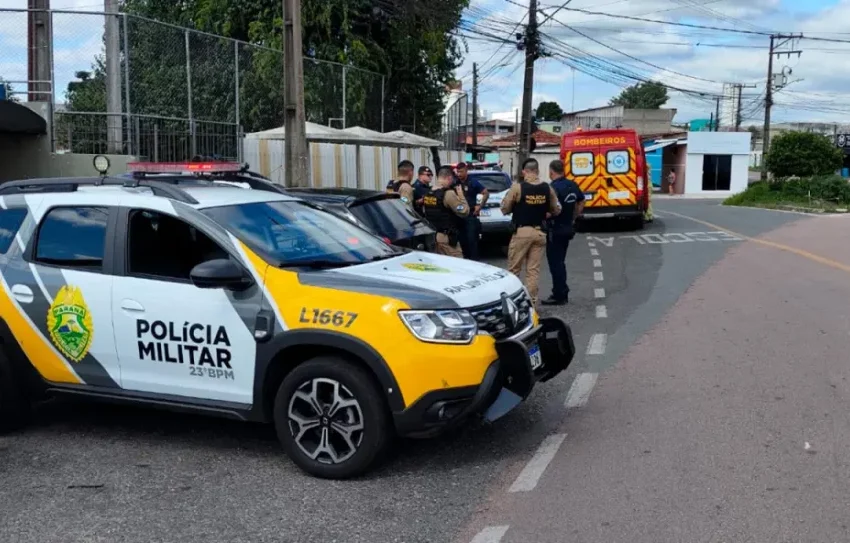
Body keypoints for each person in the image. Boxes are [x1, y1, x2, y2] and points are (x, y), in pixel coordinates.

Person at [501, 158, 561, 308]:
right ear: (538, 171)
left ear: (524, 172)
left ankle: (513, 304)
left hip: (522, 232)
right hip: (540, 233)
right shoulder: (548, 188)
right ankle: (532, 304)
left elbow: (505, 208)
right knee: (533, 271)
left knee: (514, 270)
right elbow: (556, 209)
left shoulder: (517, 188)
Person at [542, 160, 585, 306]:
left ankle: (559, 294)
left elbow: (550, 210)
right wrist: (574, 216)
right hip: (568, 227)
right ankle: (562, 291)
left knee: (556, 263)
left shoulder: (553, 188)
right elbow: (581, 200)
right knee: (560, 261)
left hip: (555, 229)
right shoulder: (572, 185)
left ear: (551, 171)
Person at [421, 166, 469, 257]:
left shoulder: (429, 193)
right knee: (458, 264)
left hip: (433, 237)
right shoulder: (448, 193)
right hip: (447, 238)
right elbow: (464, 211)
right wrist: (461, 196)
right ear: (449, 178)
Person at [455, 162, 489, 260]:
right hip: (459, 216)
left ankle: (474, 261)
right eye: (458, 172)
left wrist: (480, 206)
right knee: (462, 241)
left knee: (472, 241)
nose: (459, 174)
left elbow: (486, 193)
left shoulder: (472, 182)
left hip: (470, 215)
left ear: (466, 171)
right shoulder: (455, 182)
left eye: (461, 172)